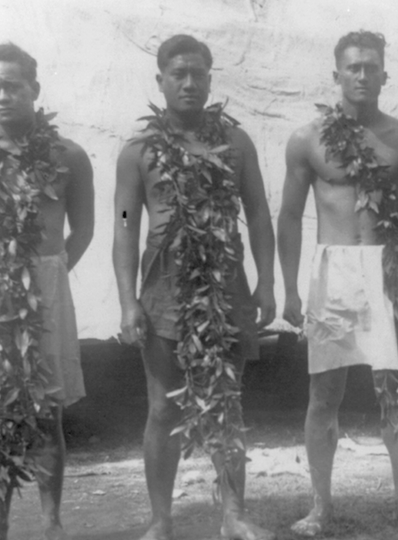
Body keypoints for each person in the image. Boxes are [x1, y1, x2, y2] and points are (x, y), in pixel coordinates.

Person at [278, 30, 398, 537]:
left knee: (397, 392)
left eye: (371, 67)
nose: (363, 75)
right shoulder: (308, 139)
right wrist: (290, 290)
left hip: (388, 270)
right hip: (334, 270)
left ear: (385, 75)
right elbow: (287, 217)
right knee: (324, 395)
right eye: (353, 67)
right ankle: (320, 505)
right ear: (337, 75)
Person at [113, 35, 276, 540]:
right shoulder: (137, 151)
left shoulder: (236, 141)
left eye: (198, 75)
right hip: (163, 288)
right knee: (163, 405)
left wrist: (266, 282)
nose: (189, 83)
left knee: (228, 398)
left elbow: (259, 213)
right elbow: (123, 225)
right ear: (159, 79)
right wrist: (127, 300)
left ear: (210, 79)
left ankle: (234, 514)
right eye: (178, 74)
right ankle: (161, 520)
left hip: (226, 286)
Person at [0, 42, 95, 540]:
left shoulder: (68, 155)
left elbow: (87, 227)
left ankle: (52, 523)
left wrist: (46, 273)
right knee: (2, 407)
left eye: (14, 85)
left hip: (48, 288)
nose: (3, 96)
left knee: (47, 409)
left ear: (35, 88)